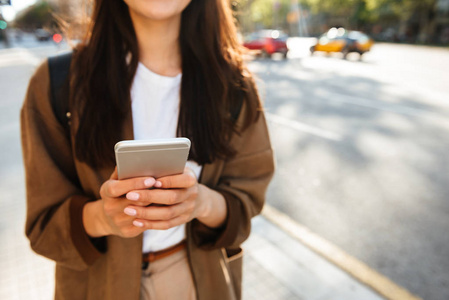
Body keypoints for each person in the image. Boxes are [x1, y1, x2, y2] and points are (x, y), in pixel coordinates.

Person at [20, 0, 274, 299]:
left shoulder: (233, 86)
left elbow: (247, 201)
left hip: (195, 280)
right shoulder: (57, 82)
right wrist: (103, 216)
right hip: (98, 285)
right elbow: (44, 228)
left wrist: (199, 203)